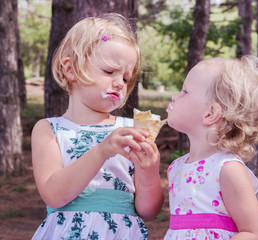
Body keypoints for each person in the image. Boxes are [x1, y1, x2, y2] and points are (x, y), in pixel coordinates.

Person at [31, 13, 163, 240]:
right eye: (109, 72)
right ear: (70, 69)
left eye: (126, 78)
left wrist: (149, 173)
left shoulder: (133, 131)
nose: (119, 83)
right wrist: (102, 151)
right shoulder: (49, 130)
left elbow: (149, 211)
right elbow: (53, 195)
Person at [164, 56, 258, 240]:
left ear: (210, 113)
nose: (174, 96)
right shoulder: (176, 167)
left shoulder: (227, 169)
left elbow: (256, 234)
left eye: (184, 91)